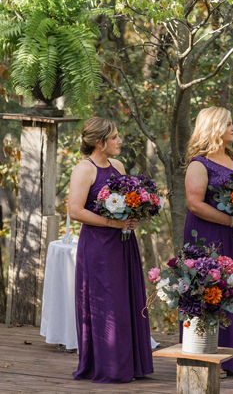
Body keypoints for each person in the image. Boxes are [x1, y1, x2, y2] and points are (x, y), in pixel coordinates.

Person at [68, 117, 154, 383]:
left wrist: (134, 215)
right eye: (114, 137)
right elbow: (75, 210)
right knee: (108, 303)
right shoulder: (85, 169)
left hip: (124, 244)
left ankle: (131, 364)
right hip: (99, 248)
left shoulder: (118, 165)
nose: (119, 141)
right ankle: (110, 367)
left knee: (126, 300)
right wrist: (112, 222)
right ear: (99, 142)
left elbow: (127, 201)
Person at [183, 107, 233, 374]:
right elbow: (194, 204)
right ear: (214, 128)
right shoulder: (199, 163)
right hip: (209, 236)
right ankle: (211, 357)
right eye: (228, 124)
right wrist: (231, 222)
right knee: (214, 289)